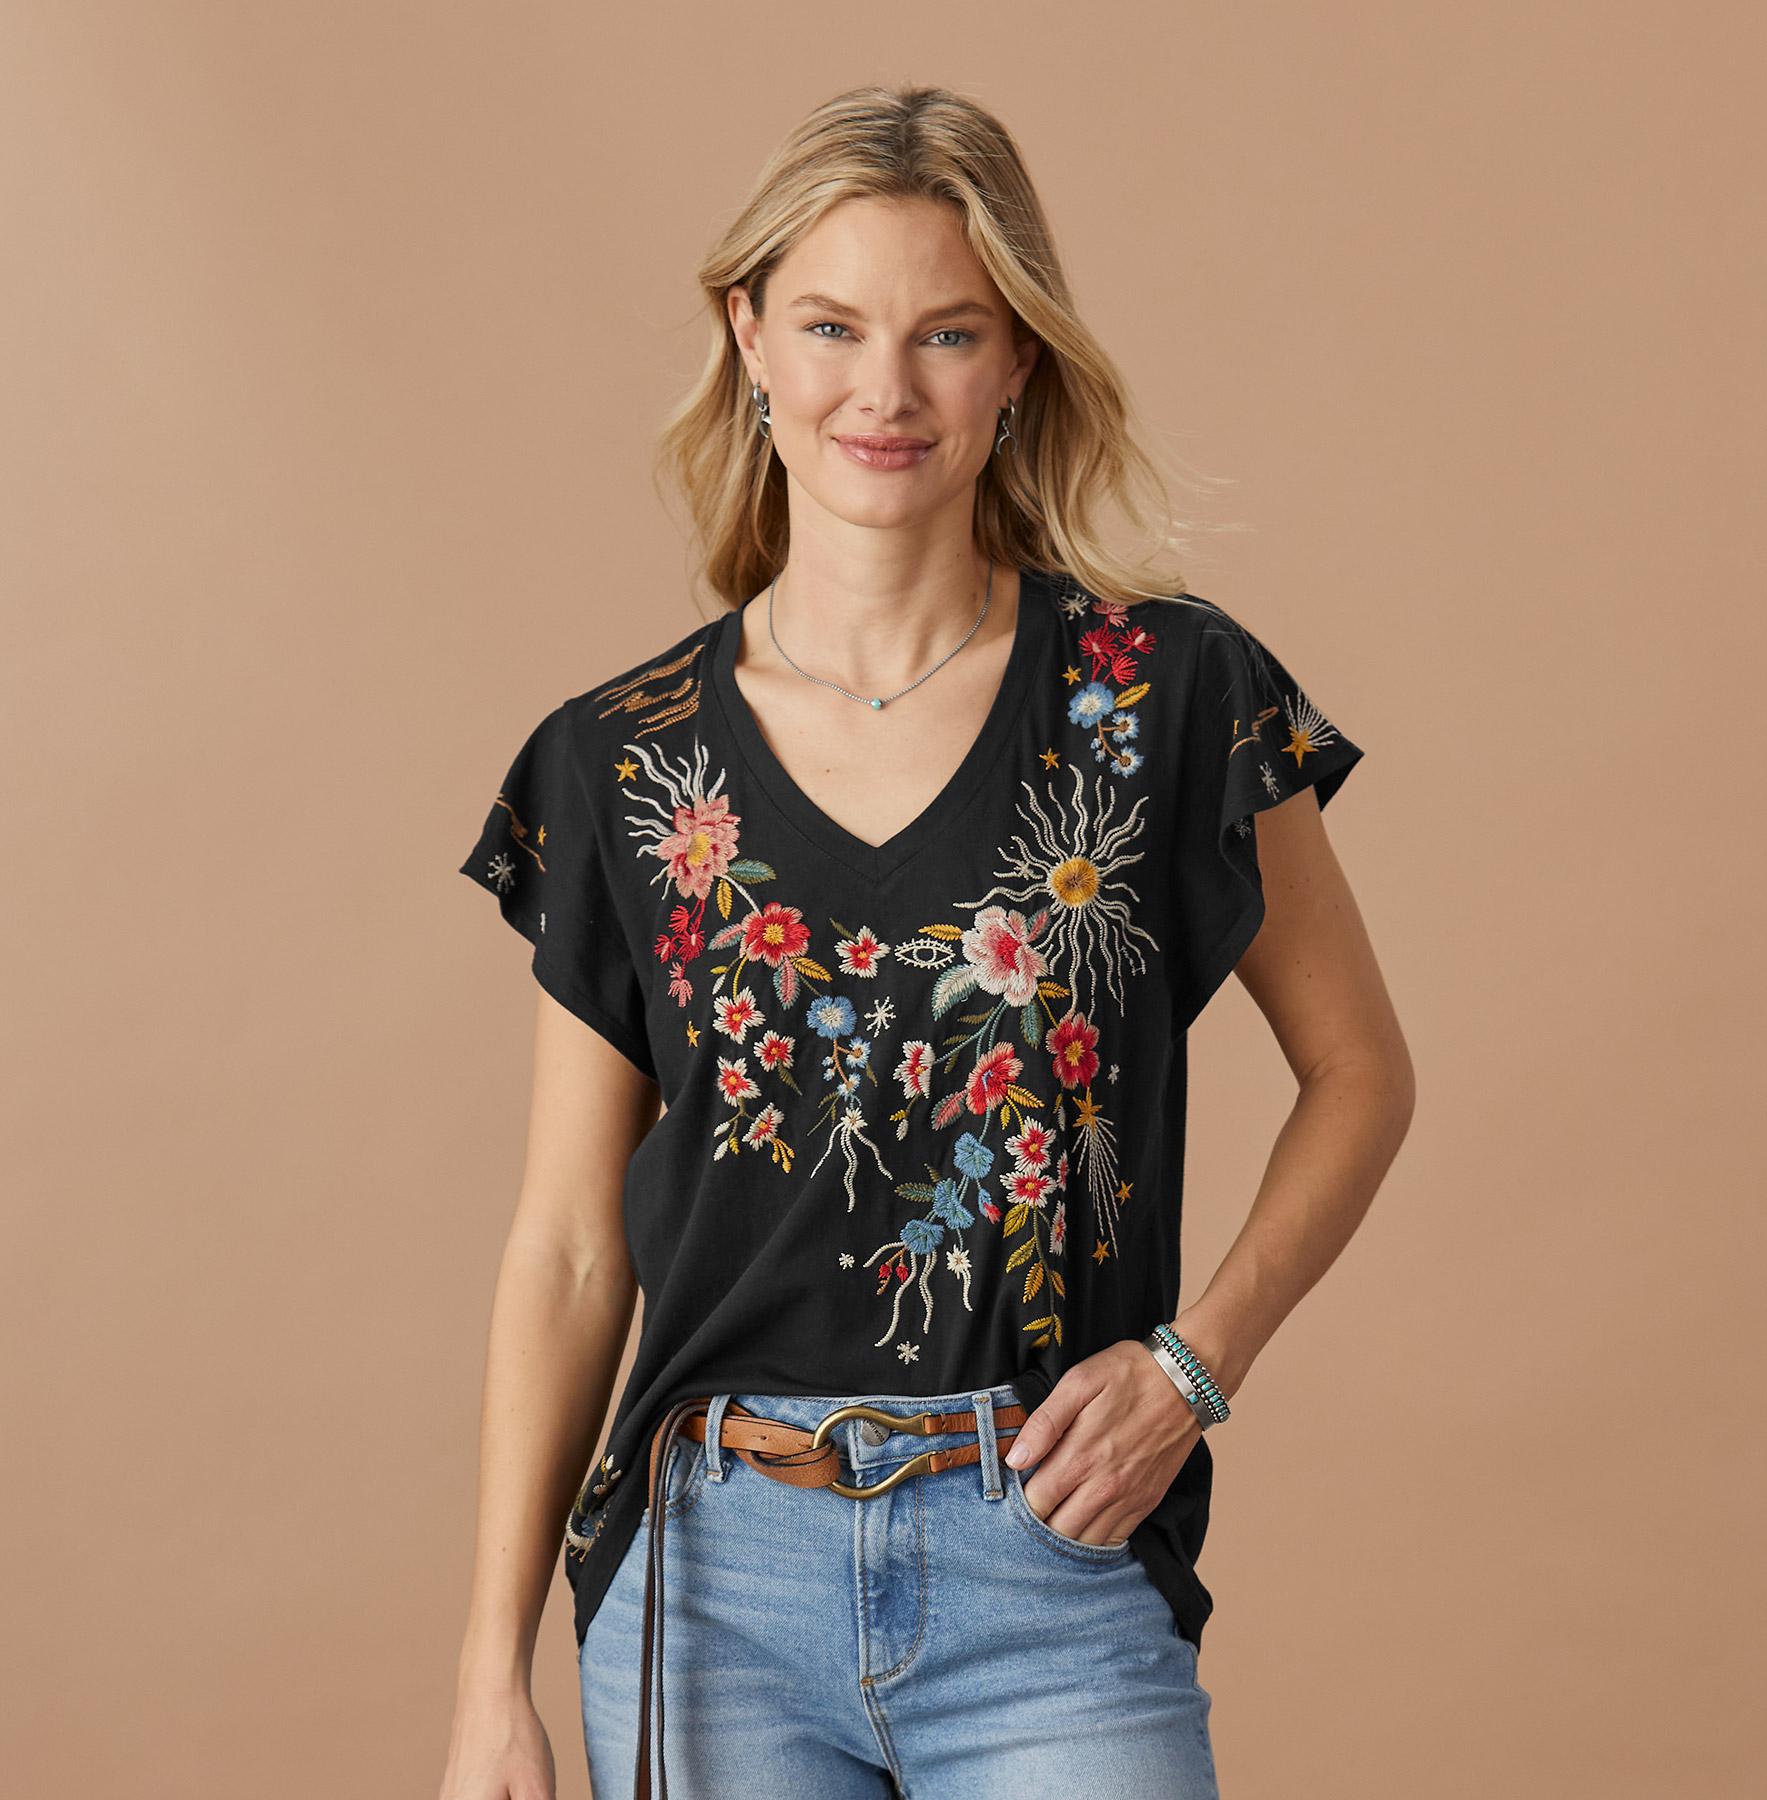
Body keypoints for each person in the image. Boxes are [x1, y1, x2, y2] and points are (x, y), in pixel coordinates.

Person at [438, 82, 1415, 1800]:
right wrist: (486, 1682)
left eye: (947, 333)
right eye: (831, 326)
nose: (883, 391)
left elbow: (1361, 1074)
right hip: (708, 1590)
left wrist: (1197, 1364)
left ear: (1019, 359)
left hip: (1048, 1559)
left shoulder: (1166, 698)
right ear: (748, 336)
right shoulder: (619, 764)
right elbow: (571, 1251)